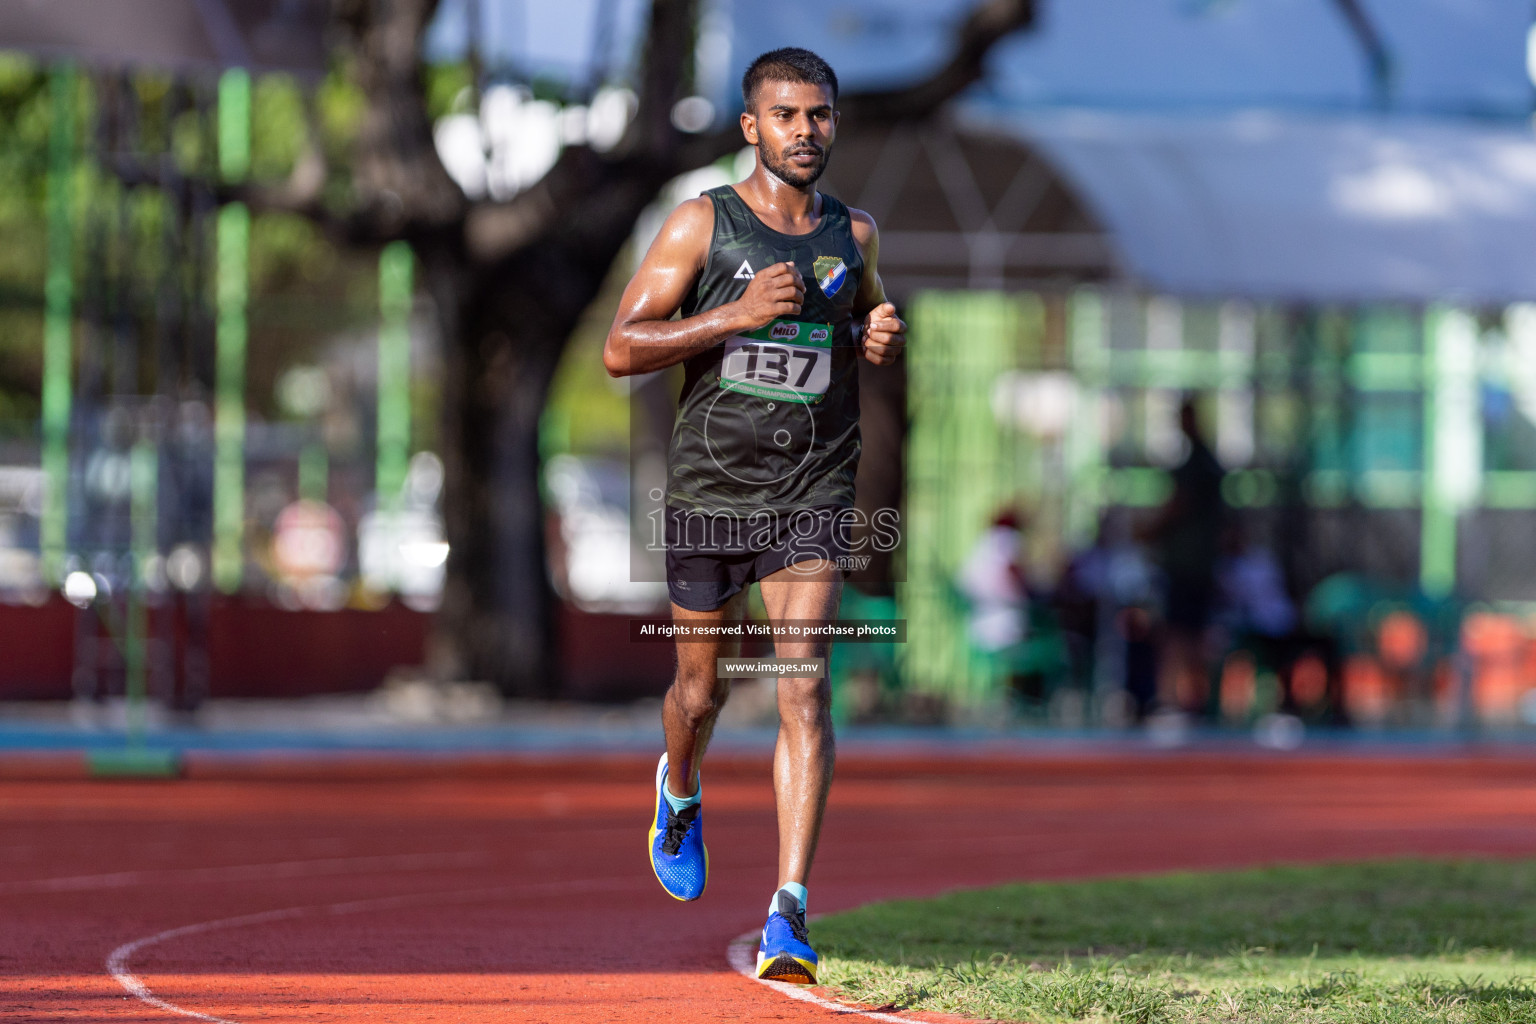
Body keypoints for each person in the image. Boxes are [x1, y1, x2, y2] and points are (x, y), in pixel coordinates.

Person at [602, 47, 906, 985]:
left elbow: (843, 324)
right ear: (752, 127)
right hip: (709, 499)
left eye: (819, 116)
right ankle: (680, 788)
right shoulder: (702, 224)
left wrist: (873, 332)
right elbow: (621, 348)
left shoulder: (854, 235)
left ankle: (789, 914)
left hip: (812, 493)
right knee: (701, 694)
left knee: (804, 685)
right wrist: (727, 318)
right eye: (786, 116)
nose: (805, 132)